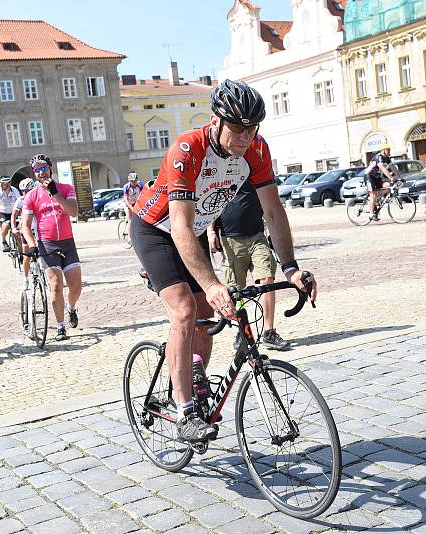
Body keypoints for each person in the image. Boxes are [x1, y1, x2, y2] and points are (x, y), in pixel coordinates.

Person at [130, 79, 317, 443]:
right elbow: (180, 225)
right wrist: (213, 283)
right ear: (216, 120)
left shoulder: (257, 151)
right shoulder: (188, 148)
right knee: (185, 309)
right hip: (157, 228)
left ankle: (193, 369)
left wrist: (291, 267)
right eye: (238, 128)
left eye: (252, 128)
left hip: (193, 229)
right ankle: (184, 412)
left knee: (207, 316)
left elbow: (273, 212)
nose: (245, 136)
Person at [208, 180, 291, 350]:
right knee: (236, 290)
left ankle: (269, 332)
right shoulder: (223, 168)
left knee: (267, 279)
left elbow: (271, 204)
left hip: (257, 235)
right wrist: (210, 231)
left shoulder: (256, 167)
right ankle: (242, 330)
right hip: (229, 239)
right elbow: (212, 202)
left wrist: (277, 235)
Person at [21, 154, 82, 341]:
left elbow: (73, 212)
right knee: (55, 285)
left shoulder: (65, 188)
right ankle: (60, 326)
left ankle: (70, 308)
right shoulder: (32, 196)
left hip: (67, 242)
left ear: (50, 168)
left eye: (43, 168)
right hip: (47, 244)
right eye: (37, 169)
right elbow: (25, 225)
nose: (41, 172)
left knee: (75, 286)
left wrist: (56, 194)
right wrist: (31, 245)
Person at [11, 177, 37, 288]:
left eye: (27, 191)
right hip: (27, 230)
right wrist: (14, 228)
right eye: (22, 191)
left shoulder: (38, 198)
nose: (24, 193)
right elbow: (13, 215)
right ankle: (26, 278)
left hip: (39, 229)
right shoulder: (20, 200)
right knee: (27, 255)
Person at [365, 144, 396, 221]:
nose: (389, 152)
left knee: (389, 186)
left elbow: (393, 168)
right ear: (383, 150)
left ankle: (375, 199)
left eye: (389, 150)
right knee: (373, 194)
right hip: (369, 176)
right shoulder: (379, 157)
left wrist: (399, 177)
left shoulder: (386, 158)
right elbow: (383, 169)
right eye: (388, 150)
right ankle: (371, 213)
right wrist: (392, 178)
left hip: (376, 177)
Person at [0, 175, 20, 252]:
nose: (1, 185)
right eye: (0, 184)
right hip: (4, 213)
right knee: (5, 226)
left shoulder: (15, 191)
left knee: (18, 232)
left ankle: (21, 251)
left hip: (14, 212)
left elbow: (20, 202)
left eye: (3, 183)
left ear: (8, 184)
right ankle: (4, 241)